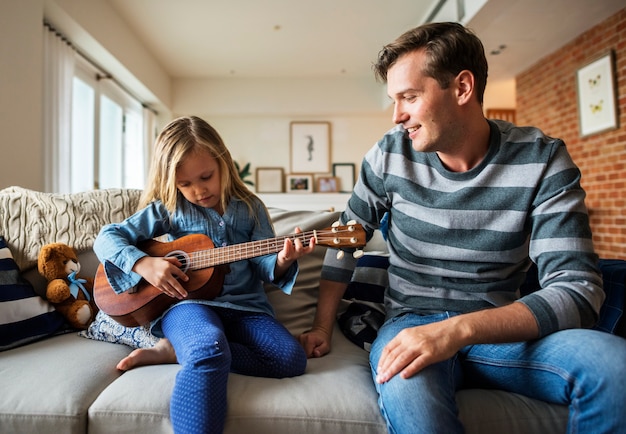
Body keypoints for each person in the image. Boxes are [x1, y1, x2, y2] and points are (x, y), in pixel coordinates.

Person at [298, 22, 626, 433]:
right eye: (394, 100)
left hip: (500, 326)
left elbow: (579, 290)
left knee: (615, 366)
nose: (397, 115)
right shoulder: (388, 155)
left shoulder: (542, 159)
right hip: (411, 323)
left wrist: (456, 330)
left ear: (462, 88)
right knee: (405, 384)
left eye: (410, 97)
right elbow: (347, 240)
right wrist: (321, 326)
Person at [94, 115, 315, 434]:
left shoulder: (250, 207)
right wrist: (145, 264)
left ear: (223, 162)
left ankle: (176, 350)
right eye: (185, 184)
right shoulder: (168, 208)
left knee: (290, 358)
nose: (198, 190)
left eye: (206, 176)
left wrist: (282, 258)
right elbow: (106, 238)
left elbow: (266, 266)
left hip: (247, 310)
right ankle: (191, 347)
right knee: (206, 351)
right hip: (188, 306)